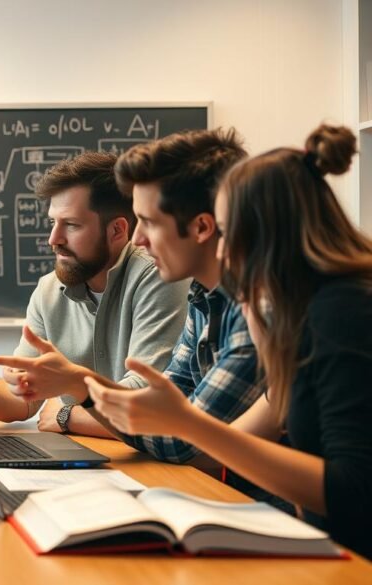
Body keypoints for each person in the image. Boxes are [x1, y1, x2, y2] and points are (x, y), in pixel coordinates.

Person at [82, 124, 372, 558]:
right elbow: (236, 441)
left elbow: (354, 491)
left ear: (262, 232)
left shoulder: (341, 312)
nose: (220, 249)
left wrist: (184, 423)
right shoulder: (297, 312)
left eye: (224, 229)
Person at [6, 129, 260, 464]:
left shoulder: (256, 311)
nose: (136, 238)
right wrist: (81, 390)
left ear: (202, 227)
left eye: (148, 222)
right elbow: (155, 417)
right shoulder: (202, 300)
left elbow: (178, 441)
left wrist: (76, 394)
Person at [0, 151, 189, 432]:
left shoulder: (160, 276)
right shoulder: (49, 290)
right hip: (93, 457)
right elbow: (22, 402)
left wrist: (66, 414)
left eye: (72, 225)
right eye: (53, 222)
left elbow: (144, 403)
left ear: (117, 230)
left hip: (152, 466)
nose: (54, 239)